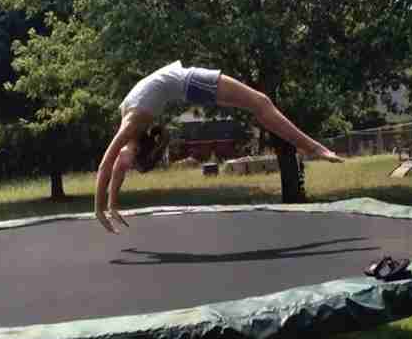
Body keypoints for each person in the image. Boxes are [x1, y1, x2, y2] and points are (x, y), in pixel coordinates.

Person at [95, 60, 344, 233]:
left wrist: (101, 209)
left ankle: (312, 148)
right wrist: (112, 204)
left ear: (138, 148)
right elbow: (117, 165)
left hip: (190, 82)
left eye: (130, 159)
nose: (125, 160)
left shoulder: (131, 124)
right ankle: (312, 148)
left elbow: (108, 164)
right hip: (188, 85)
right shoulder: (130, 121)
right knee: (260, 104)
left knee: (260, 103)